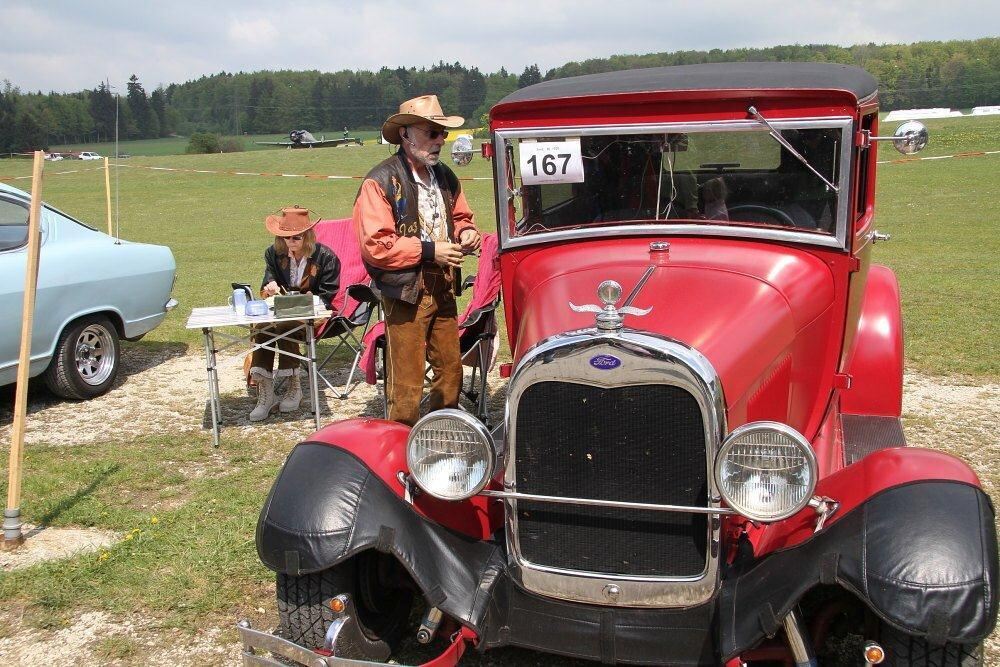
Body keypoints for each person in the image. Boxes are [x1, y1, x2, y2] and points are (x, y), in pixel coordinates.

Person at [352, 94, 481, 426]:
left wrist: (467, 233)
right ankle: (400, 450)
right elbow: (377, 245)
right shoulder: (379, 181)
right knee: (406, 381)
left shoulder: (445, 176)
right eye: (431, 133)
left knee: (451, 371)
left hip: (443, 285)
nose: (440, 140)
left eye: (442, 134)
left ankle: (440, 436)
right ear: (406, 135)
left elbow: (462, 216)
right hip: (406, 290)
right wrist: (430, 250)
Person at [248, 206, 340, 422]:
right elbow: (267, 283)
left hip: (313, 314)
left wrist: (305, 300)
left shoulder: (326, 257)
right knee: (262, 325)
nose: (291, 241)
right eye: (286, 237)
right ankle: (267, 392)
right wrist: (269, 286)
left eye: (296, 237)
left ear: (307, 236)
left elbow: (327, 296)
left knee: (284, 324)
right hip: (280, 312)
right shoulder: (273, 253)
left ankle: (294, 387)